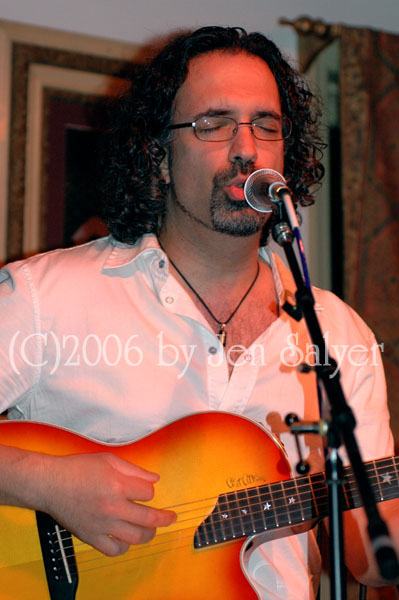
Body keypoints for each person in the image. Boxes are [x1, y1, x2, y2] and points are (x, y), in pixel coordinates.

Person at [0, 26, 397, 599]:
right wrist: (49, 483)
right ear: (158, 158)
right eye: (213, 124)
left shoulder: (336, 334)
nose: (246, 148)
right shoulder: (47, 297)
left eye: (266, 125)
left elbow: (371, 560)